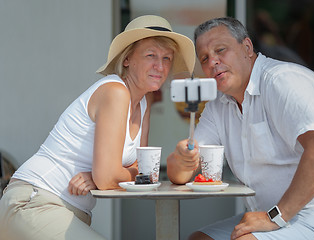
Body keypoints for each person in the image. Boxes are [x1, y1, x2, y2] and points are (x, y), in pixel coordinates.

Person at [167, 17, 314, 240]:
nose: (213, 62)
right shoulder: (219, 104)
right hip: (279, 215)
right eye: (205, 58)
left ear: (247, 47)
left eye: (221, 50)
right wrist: (182, 160)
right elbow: (182, 171)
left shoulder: (282, 81)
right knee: (199, 239)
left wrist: (275, 217)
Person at [0, 15, 195, 240]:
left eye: (167, 58)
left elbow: (142, 169)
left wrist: (103, 175)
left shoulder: (143, 101)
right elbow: (127, 175)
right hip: (33, 203)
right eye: (151, 55)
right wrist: (105, 174)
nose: (160, 66)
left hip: (65, 212)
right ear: (127, 59)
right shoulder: (115, 92)